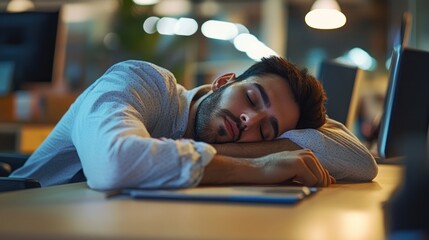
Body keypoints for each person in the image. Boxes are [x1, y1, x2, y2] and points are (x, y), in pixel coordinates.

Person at [11, 56, 378, 190]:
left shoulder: (247, 130)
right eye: (251, 98)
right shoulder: (143, 82)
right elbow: (115, 163)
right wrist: (259, 165)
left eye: (265, 131)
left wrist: (279, 144)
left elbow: (360, 161)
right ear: (223, 81)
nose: (249, 120)